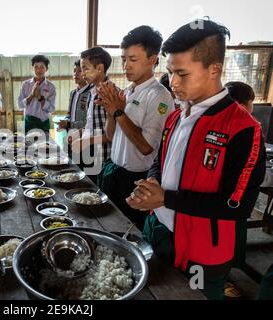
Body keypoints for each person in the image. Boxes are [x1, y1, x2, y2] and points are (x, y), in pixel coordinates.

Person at [126, 19, 266, 300]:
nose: (173, 82)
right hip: (159, 232)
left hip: (204, 252)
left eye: (182, 74)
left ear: (215, 69)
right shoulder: (177, 116)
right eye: (169, 72)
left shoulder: (243, 129)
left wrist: (167, 199)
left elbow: (236, 206)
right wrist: (150, 186)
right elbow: (161, 161)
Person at [95, 26, 174, 230]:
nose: (125, 66)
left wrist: (119, 112)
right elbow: (110, 136)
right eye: (123, 59)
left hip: (134, 180)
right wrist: (111, 110)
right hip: (114, 170)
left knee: (128, 231)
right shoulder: (128, 92)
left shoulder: (158, 96)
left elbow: (147, 147)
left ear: (152, 59)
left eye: (133, 59)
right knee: (107, 225)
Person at [69, 47, 113, 183]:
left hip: (102, 158)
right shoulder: (92, 92)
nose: (82, 73)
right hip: (88, 153)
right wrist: (79, 133)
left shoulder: (110, 94)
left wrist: (86, 141)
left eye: (85, 68)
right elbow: (92, 125)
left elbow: (111, 135)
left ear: (99, 68)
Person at [18, 55, 56, 134]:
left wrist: (40, 97)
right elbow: (20, 105)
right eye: (36, 67)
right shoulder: (25, 84)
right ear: (32, 68)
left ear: (46, 69)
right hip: (28, 123)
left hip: (43, 123)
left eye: (42, 67)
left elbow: (52, 109)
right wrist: (32, 95)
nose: (39, 70)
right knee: (28, 146)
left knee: (44, 146)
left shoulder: (51, 86)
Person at [58, 59, 93, 132]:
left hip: (84, 137)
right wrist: (64, 122)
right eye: (74, 70)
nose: (75, 74)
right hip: (71, 135)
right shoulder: (73, 93)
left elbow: (89, 123)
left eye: (79, 71)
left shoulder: (91, 94)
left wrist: (69, 124)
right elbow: (69, 114)